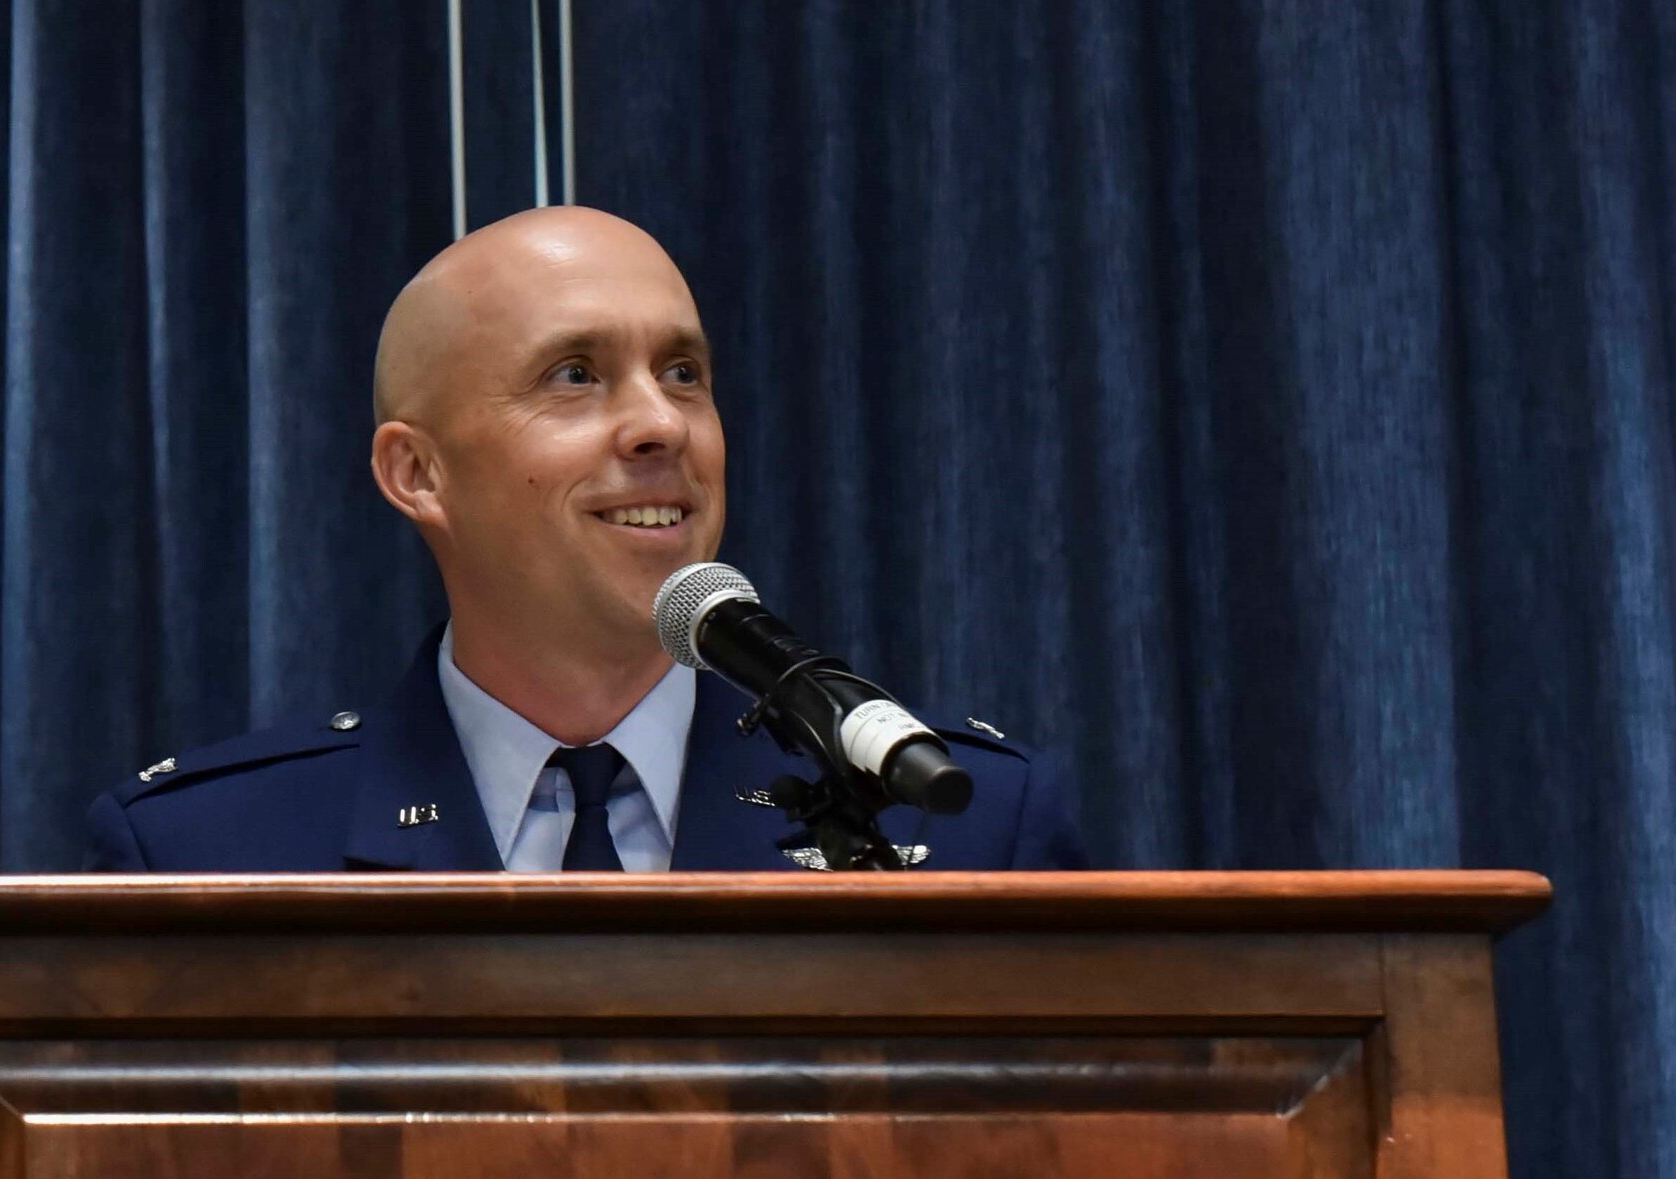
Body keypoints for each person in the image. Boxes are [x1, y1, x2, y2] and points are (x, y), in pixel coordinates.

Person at [83, 206, 1084, 872]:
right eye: (575, 375)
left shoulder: (956, 818)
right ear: (415, 474)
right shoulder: (205, 856)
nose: (661, 424)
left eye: (683, 373)